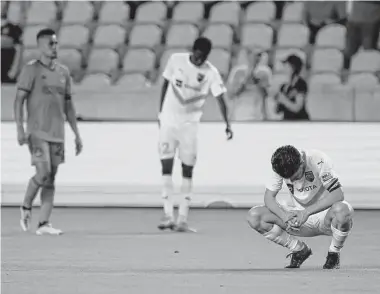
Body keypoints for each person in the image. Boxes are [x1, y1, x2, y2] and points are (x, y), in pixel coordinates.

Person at [158, 37, 233, 232]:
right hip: (168, 122)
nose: (200, 61)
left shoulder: (210, 73)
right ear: (193, 51)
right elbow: (165, 84)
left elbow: (221, 99)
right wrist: (160, 112)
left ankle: (182, 218)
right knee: (166, 166)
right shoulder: (176, 60)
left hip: (189, 126)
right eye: (198, 56)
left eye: (203, 58)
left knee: (187, 169)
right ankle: (168, 215)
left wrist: (227, 123)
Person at [14, 28, 83, 235]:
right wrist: (19, 128)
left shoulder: (63, 72)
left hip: (57, 133)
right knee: (43, 173)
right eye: (50, 44)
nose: (54, 47)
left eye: (56, 43)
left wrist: (76, 134)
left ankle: (44, 223)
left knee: (51, 178)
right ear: (40, 46)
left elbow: (69, 106)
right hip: (37, 132)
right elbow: (19, 100)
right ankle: (26, 205)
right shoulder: (31, 70)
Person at [247, 145, 354, 269]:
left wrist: (306, 212)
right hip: (297, 219)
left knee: (343, 210)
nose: (292, 180)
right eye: (288, 178)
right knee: (254, 216)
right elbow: (268, 198)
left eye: (295, 175)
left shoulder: (318, 159)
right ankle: (299, 249)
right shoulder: (279, 166)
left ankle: (333, 254)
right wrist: (284, 216)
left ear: (302, 162)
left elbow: (337, 195)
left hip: (326, 217)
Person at [229, 51, 272, 121]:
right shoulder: (238, 71)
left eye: (259, 55)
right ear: (248, 55)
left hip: (259, 115)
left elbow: (267, 95)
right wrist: (246, 79)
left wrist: (258, 82)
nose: (257, 58)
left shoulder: (265, 72)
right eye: (254, 55)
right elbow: (231, 95)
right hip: (241, 114)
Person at [274, 54, 310, 121]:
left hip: (300, 122)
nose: (284, 68)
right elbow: (277, 111)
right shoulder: (283, 86)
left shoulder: (301, 84)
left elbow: (297, 108)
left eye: (286, 65)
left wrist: (284, 100)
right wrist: (277, 100)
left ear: (293, 67)